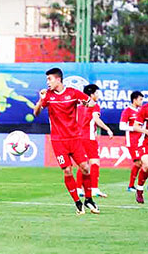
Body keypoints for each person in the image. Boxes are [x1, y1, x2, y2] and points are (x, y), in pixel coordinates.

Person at [33, 68, 100, 215]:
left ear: (58, 79)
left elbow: (91, 103)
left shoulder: (73, 93)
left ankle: (89, 199)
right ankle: (77, 202)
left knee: (86, 168)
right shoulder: (48, 96)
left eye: (49, 79)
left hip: (75, 139)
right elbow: (36, 113)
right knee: (67, 170)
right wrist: (40, 99)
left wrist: (86, 103)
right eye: (47, 80)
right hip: (58, 140)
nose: (47, 82)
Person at [119, 91, 148, 192]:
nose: (142, 101)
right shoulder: (127, 111)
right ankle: (131, 186)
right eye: (140, 99)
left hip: (142, 141)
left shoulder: (140, 111)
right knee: (139, 163)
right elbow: (121, 126)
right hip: (132, 141)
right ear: (134, 100)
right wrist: (135, 128)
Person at [75, 84, 113, 198]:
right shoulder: (94, 106)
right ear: (91, 95)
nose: (98, 95)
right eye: (97, 93)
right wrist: (108, 129)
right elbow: (96, 119)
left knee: (83, 164)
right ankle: (94, 189)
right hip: (89, 138)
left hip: (78, 137)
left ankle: (78, 189)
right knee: (95, 163)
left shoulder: (78, 107)